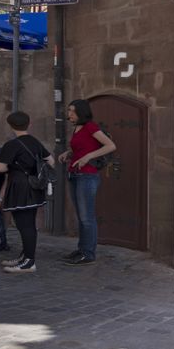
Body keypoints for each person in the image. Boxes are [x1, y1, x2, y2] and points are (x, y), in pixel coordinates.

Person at [57, 99, 115, 265]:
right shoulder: (77, 128)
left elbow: (110, 146)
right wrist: (69, 153)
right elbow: (83, 147)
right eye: (69, 111)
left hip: (87, 176)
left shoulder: (91, 126)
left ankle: (88, 253)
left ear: (81, 112)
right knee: (81, 216)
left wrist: (88, 157)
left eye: (72, 111)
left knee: (86, 217)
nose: (69, 114)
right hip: (74, 174)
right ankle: (82, 249)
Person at [0, 111, 51, 274]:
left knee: (25, 225)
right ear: (29, 124)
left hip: (20, 186)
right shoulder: (35, 142)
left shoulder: (11, 145)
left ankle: (29, 262)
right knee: (28, 223)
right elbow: (50, 161)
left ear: (11, 126)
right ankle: (24, 256)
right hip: (34, 186)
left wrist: (13, 166)